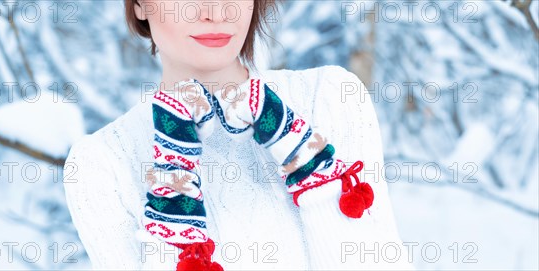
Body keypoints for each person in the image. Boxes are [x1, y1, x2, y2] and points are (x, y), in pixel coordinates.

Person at [63, 0, 415, 270]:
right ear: (139, 4)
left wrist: (304, 156)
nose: (217, 11)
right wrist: (175, 169)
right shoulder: (101, 164)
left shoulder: (329, 94)